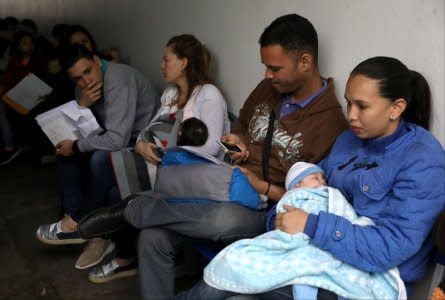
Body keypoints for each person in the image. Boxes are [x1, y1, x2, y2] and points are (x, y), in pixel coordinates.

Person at [77, 14, 348, 299]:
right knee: (152, 238)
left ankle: (135, 209)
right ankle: (140, 211)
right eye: (266, 67)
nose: (268, 75)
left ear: (305, 62)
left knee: (222, 222)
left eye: (275, 68)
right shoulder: (268, 90)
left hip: (263, 209)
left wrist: (261, 186)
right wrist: (237, 141)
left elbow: (312, 200)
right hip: (224, 184)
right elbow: (242, 125)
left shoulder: (330, 127)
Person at [178, 56, 445, 299]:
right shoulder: (348, 141)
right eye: (349, 102)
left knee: (232, 289)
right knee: (230, 270)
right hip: (321, 251)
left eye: (362, 106)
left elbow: (391, 247)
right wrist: (282, 216)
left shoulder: (423, 159)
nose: (351, 115)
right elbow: (308, 187)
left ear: (396, 108)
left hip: (371, 276)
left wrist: (311, 225)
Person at [82, 34, 231, 284]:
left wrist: (169, 154)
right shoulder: (170, 94)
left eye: (166, 59)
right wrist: (141, 145)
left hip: (187, 174)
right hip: (159, 165)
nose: (161, 65)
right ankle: (118, 247)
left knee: (105, 175)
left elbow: (211, 150)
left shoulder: (209, 95)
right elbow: (148, 129)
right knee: (106, 173)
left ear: (183, 62)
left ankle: (101, 237)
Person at [35, 44, 159, 271]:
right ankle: (74, 219)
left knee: (99, 159)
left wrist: (78, 145)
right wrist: (83, 105)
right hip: (117, 140)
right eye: (78, 78)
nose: (86, 81)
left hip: (141, 144)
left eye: (88, 71)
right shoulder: (81, 90)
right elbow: (86, 132)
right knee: (65, 152)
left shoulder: (118, 79)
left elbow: (117, 140)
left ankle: (78, 221)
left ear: (95, 59)